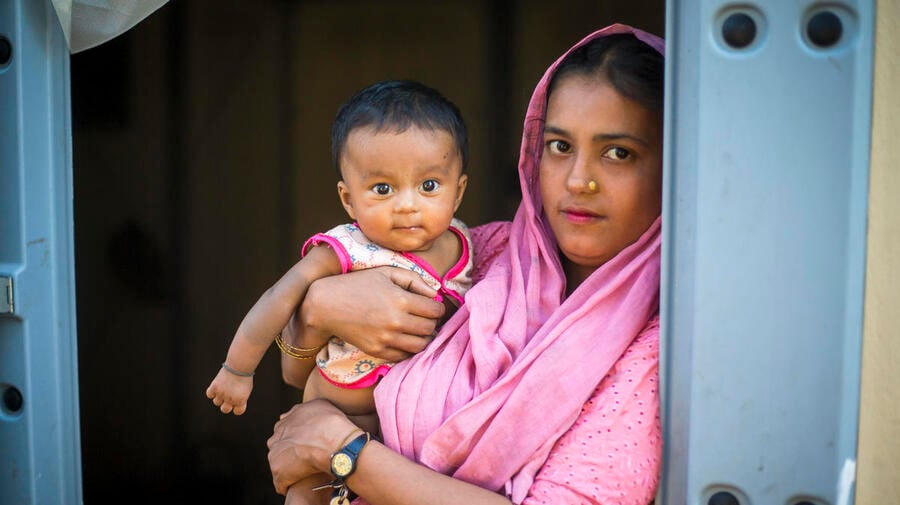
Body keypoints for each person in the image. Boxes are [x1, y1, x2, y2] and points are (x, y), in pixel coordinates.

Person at [268, 23, 665, 505]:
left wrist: (341, 452)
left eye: (618, 153)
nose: (580, 180)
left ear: (673, 163)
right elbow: (305, 374)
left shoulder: (661, 345)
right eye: (560, 147)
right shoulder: (483, 252)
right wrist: (316, 311)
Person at [205, 81, 472, 427]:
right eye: (382, 189)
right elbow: (278, 298)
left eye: (429, 186)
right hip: (334, 409)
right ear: (348, 199)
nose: (407, 205)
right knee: (304, 476)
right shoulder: (349, 247)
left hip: (408, 423)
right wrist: (237, 368)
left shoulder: (467, 243)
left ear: (459, 191)